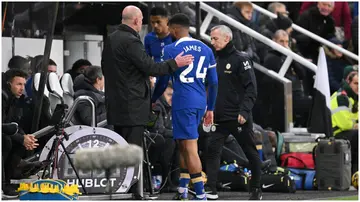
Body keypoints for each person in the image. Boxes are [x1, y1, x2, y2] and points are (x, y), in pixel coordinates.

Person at [101, 5, 193, 148]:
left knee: (121, 152)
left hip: (115, 106)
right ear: (137, 20)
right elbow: (151, 67)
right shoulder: (131, 41)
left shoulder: (111, 39)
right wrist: (175, 63)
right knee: (133, 153)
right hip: (132, 108)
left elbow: (105, 67)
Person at [151, 14, 218, 200]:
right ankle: (182, 190)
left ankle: (200, 194)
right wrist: (210, 108)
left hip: (183, 101)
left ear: (173, 29)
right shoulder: (206, 48)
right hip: (199, 102)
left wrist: (153, 98)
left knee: (189, 147)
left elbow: (163, 80)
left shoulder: (171, 49)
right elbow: (213, 82)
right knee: (182, 144)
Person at [206, 25, 262, 200]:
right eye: (211, 38)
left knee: (250, 152)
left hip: (238, 117)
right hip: (219, 117)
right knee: (212, 150)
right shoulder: (213, 59)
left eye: (215, 38)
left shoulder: (241, 59)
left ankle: (256, 189)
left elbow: (251, 89)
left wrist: (244, 112)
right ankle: (211, 189)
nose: (212, 41)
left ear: (227, 39)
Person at [2, 69, 39, 198]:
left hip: (6, 131)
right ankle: (3, 184)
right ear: (8, 84)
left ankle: (10, 180)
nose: (22, 88)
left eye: (23, 85)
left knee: (19, 142)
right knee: (6, 141)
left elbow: (14, 123)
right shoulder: (2, 97)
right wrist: (20, 138)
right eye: (18, 84)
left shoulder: (13, 99)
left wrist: (25, 137)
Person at [331, 66, 358, 174]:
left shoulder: (354, 98)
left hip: (349, 133)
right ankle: (355, 172)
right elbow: (345, 124)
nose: (358, 87)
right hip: (337, 134)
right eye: (356, 83)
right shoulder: (341, 98)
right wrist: (356, 125)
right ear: (348, 82)